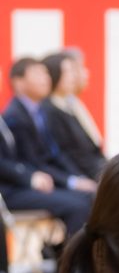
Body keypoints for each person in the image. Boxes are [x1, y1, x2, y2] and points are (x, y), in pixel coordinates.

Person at [3, 58, 97, 194]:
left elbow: (56, 154)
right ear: (19, 83)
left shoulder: (41, 111)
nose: (46, 79)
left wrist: (77, 178)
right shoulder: (15, 116)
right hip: (34, 182)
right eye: (37, 74)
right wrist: (71, 181)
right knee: (84, 200)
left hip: (51, 177)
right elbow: (34, 161)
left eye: (46, 73)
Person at [42, 52, 106, 179]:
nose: (73, 77)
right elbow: (66, 153)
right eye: (67, 72)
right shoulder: (49, 110)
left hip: (94, 166)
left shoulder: (68, 104)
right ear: (54, 73)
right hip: (82, 174)